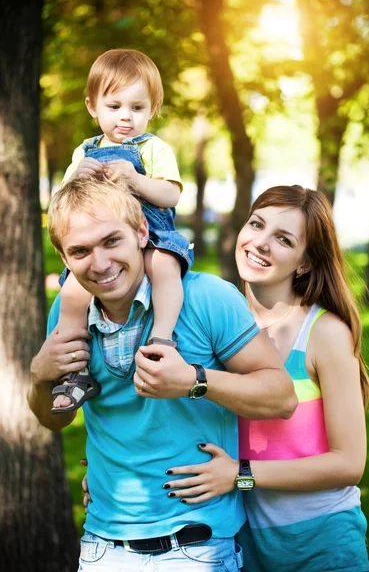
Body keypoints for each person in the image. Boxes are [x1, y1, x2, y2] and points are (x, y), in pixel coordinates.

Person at [27, 172, 297, 572]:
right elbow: (54, 420)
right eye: (80, 251)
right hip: (102, 547)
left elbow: (282, 397)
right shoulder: (69, 317)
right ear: (65, 259)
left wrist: (194, 381)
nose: (100, 264)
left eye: (111, 241)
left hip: (197, 547)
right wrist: (39, 375)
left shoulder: (206, 297)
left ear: (140, 232)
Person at [162, 185, 369, 572]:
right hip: (239, 540)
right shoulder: (216, 325)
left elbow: (349, 463)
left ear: (305, 263)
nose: (260, 243)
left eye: (283, 239)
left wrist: (240, 476)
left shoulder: (324, 333)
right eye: (256, 224)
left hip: (321, 542)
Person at [52, 47, 194, 413]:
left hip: (153, 234)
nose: (126, 117)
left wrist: (136, 179)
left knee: (164, 266)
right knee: (70, 293)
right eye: (114, 107)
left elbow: (171, 193)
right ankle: (74, 370)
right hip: (106, 240)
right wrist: (73, 181)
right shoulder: (84, 152)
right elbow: (62, 206)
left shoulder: (152, 148)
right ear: (92, 106)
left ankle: (162, 338)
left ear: (153, 108)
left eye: (138, 107)